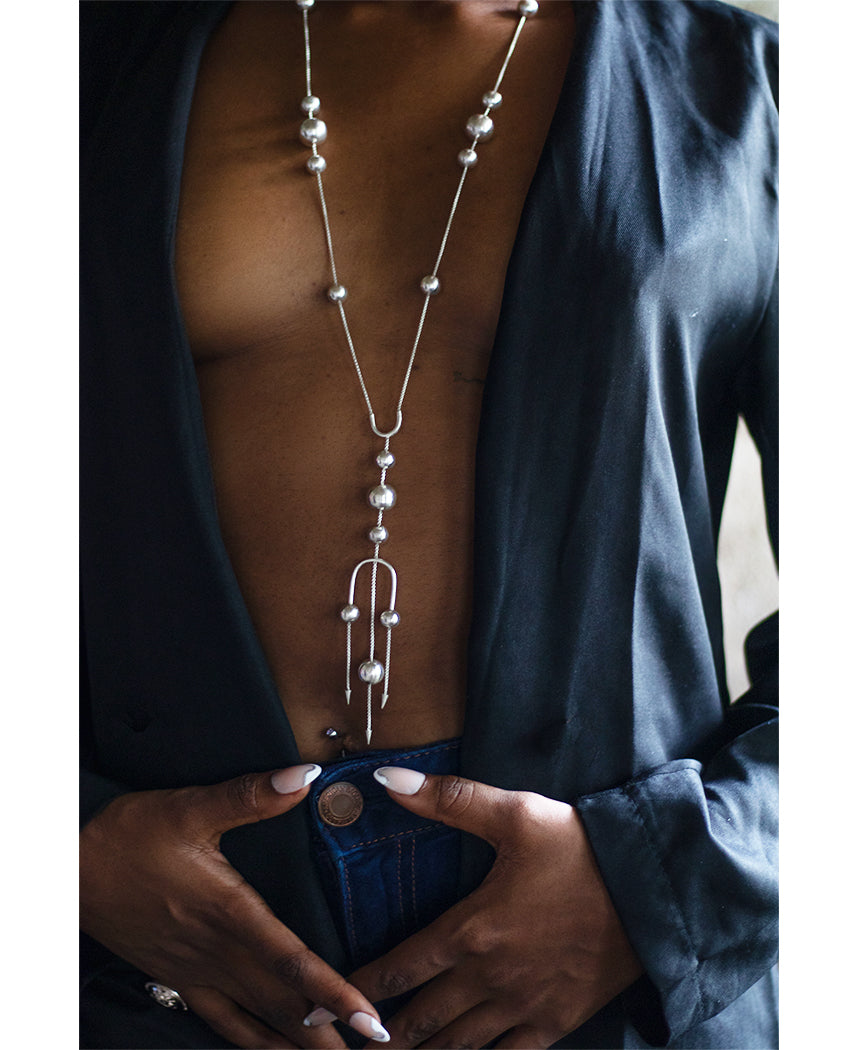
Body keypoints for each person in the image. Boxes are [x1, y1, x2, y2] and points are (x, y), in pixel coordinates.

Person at [79, 1, 778, 1047]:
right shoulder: (76, 71)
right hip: (160, 960)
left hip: (604, 961)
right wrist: (70, 844)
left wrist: (661, 884)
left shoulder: (755, 97)